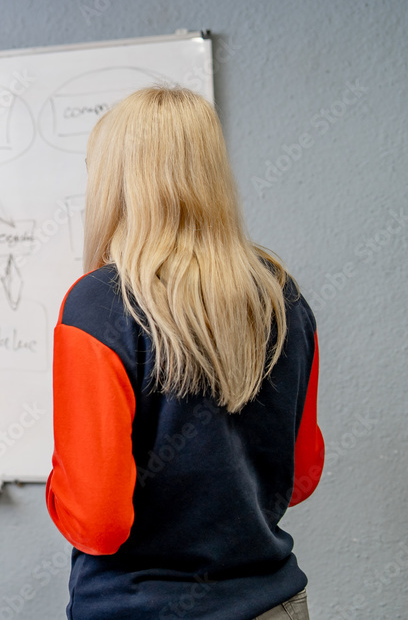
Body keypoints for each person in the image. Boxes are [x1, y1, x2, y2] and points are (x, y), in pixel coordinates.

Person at [46, 87, 324, 619]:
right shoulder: (281, 294)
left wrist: (64, 481)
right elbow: (303, 473)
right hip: (276, 603)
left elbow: (98, 523)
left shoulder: (99, 303)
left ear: (116, 184)